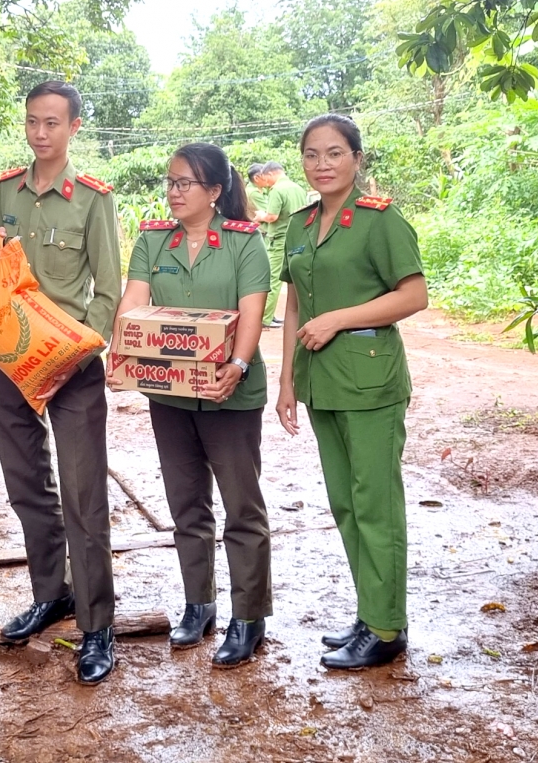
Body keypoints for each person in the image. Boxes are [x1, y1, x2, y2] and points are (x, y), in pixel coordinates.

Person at [0, 80, 122, 685]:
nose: (40, 133)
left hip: (69, 364)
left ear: (74, 128)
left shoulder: (91, 200)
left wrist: (70, 351)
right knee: (25, 482)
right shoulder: (5, 191)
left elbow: (108, 290)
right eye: (33, 121)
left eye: (53, 123)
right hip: (8, 358)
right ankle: (51, 593)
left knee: (84, 494)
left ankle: (97, 625)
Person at [108, 144, 272, 667]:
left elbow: (250, 313)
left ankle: (249, 617)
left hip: (231, 394)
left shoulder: (245, 244)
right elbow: (133, 306)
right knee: (186, 504)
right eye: (170, 182)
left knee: (241, 508)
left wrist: (238, 365)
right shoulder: (154, 241)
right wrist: (123, 350)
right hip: (170, 392)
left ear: (215, 192)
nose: (174, 192)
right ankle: (198, 604)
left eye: (185, 184)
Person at [276, 114, 428, 669]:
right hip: (321, 381)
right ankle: (371, 614)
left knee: (375, 504)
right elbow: (293, 305)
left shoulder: (379, 220)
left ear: (357, 159)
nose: (322, 164)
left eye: (335, 153)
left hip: (371, 380)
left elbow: (414, 296)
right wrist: (287, 380)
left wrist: (339, 318)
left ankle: (387, 629)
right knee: (344, 503)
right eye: (312, 154)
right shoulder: (300, 223)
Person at [254, 162, 308, 328]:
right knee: (296, 280)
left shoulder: (277, 190)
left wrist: (260, 216)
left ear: (270, 174)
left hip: (280, 238)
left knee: (273, 279)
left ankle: (265, 317)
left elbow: (272, 216)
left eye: (265, 178)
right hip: (299, 238)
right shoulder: (298, 188)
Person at [244, 164, 266, 230]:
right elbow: (270, 212)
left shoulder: (260, 190)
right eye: (265, 175)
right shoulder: (254, 193)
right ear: (256, 178)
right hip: (260, 230)